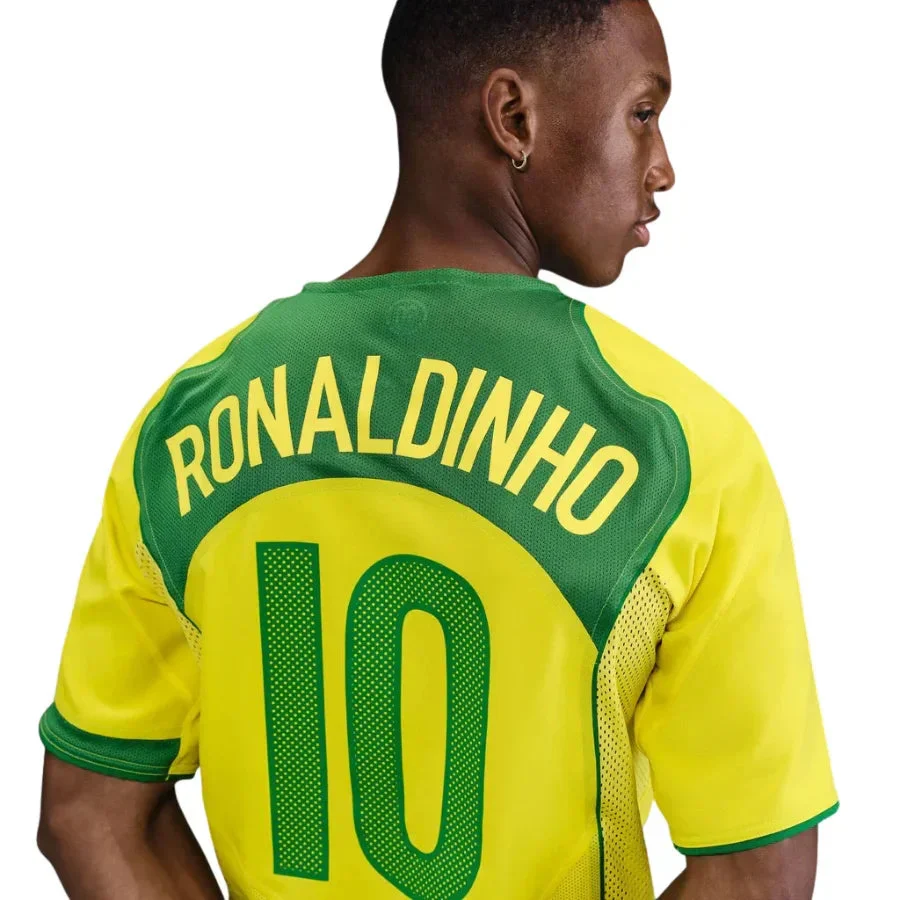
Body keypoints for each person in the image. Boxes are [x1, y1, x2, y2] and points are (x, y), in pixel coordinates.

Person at [37, 1, 838, 898]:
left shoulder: (186, 423)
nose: (663, 166)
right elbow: (757, 873)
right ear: (513, 118)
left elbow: (92, 811)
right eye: (643, 113)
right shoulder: (678, 450)